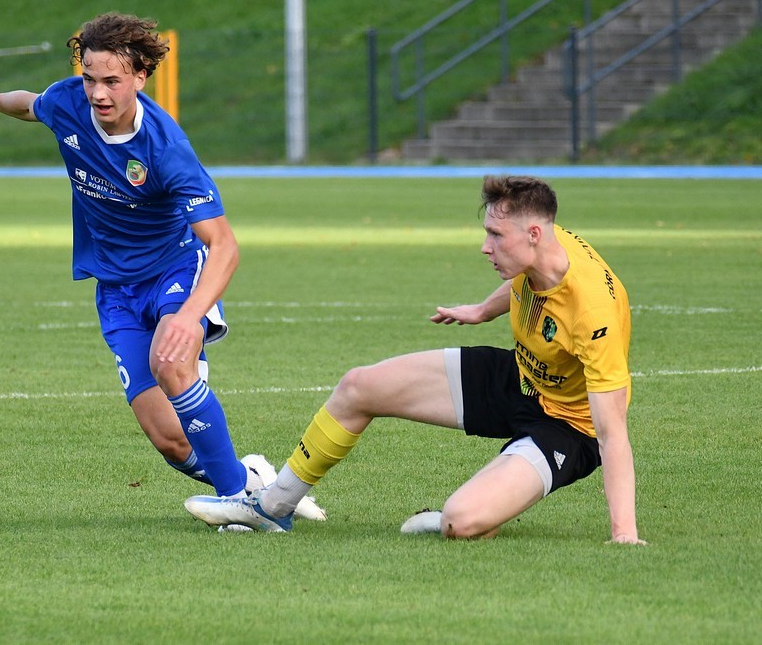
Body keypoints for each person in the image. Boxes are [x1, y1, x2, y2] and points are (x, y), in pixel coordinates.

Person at [0, 12, 324, 519]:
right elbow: (29, 105)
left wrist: (188, 316)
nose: (98, 93)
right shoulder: (68, 102)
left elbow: (224, 245)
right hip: (116, 288)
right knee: (171, 441)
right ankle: (258, 486)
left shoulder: (165, 147)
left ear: (140, 76)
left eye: (112, 81)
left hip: (175, 270)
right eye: (90, 78)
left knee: (170, 363)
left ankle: (248, 511)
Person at [185, 175, 645, 544]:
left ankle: (475, 512)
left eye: (495, 235)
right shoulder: (545, 246)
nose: (485, 246)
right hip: (521, 378)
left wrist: (624, 534)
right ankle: (271, 507)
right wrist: (482, 310)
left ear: (533, 234)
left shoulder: (594, 313)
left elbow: (611, 433)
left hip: (569, 428)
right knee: (359, 387)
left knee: (461, 522)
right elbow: (530, 277)